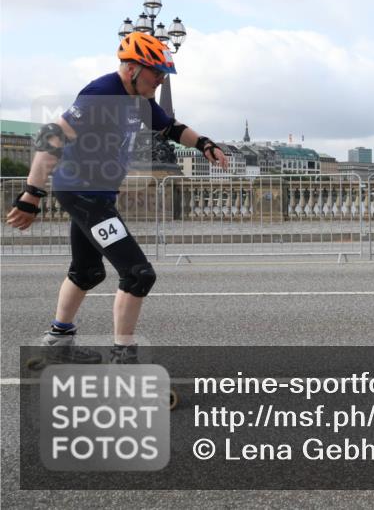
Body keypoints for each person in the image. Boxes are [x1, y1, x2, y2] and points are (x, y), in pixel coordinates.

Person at [6, 32, 228, 363]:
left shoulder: (139, 100)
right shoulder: (100, 94)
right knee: (139, 274)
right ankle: (123, 358)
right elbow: (51, 137)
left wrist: (204, 144)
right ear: (132, 68)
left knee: (87, 272)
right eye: (156, 73)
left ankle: (57, 342)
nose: (160, 80)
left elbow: (170, 128)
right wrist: (31, 194)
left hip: (95, 195)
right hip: (84, 194)